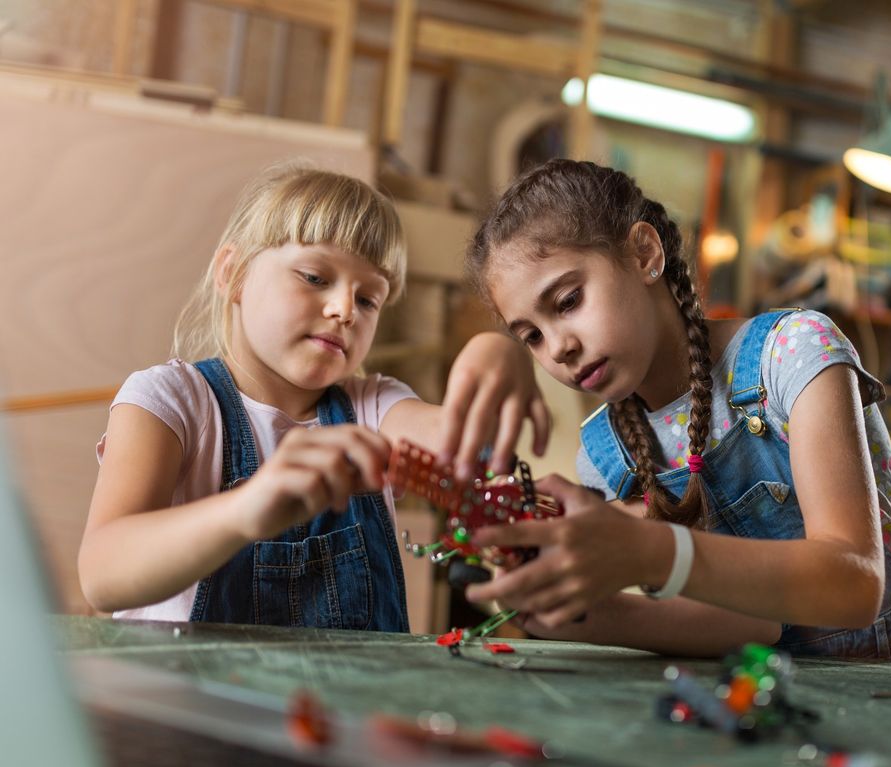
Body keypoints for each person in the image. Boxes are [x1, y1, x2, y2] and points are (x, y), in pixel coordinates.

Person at [462, 159, 891, 659]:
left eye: (567, 301)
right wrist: (581, 617)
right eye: (531, 336)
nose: (558, 348)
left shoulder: (792, 354)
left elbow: (854, 586)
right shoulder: (606, 457)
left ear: (644, 253)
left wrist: (647, 551)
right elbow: (756, 629)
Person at [78, 164, 548, 630]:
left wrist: (497, 349)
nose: (344, 310)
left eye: (368, 300)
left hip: (349, 704)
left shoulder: (374, 409)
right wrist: (243, 512)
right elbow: (102, 576)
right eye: (315, 278)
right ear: (233, 274)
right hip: (190, 702)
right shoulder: (170, 401)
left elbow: (456, 445)